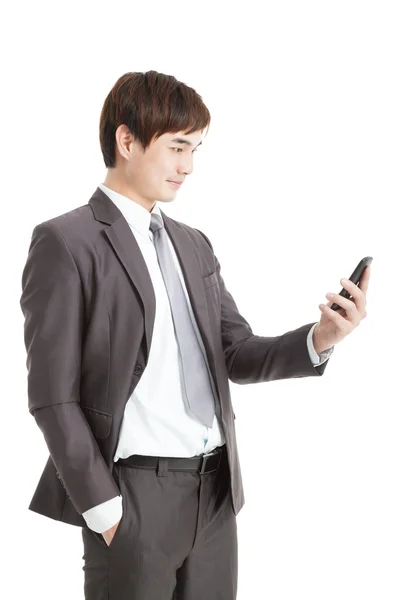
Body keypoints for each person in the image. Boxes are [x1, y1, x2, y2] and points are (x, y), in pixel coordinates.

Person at [19, 70, 370, 600]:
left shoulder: (193, 244)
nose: (188, 166)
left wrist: (320, 338)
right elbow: (52, 396)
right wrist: (105, 511)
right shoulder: (67, 242)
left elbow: (234, 352)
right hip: (132, 495)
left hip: (215, 495)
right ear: (127, 140)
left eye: (196, 149)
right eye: (178, 146)